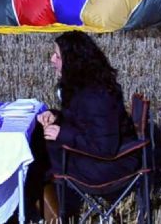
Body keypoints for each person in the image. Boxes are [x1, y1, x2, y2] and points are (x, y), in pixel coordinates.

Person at [36, 31, 139, 219]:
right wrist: (56, 116)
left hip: (108, 167)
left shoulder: (96, 97)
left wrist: (62, 134)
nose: (52, 59)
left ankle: (49, 217)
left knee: (36, 158)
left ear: (73, 62)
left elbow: (105, 148)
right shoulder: (84, 87)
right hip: (97, 159)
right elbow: (83, 123)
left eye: (57, 56)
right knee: (37, 149)